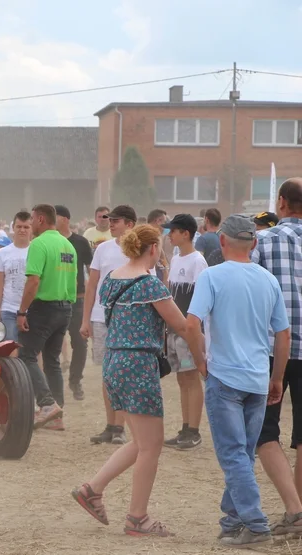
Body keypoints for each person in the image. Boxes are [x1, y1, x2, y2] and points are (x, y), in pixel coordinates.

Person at [72, 225, 197, 538]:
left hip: (115, 363)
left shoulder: (112, 279)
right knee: (151, 445)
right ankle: (137, 518)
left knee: (141, 442)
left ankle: (92, 489)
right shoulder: (150, 285)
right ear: (153, 249)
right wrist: (207, 357)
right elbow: (183, 327)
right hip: (139, 364)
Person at [184, 215, 291, 547]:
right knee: (243, 454)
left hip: (225, 376)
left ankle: (256, 525)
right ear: (255, 243)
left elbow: (192, 324)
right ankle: (232, 521)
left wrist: (201, 362)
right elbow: (283, 335)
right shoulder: (268, 280)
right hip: (258, 377)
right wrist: (277, 378)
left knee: (233, 455)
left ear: (222, 241)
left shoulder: (212, 276)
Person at [252, 178, 302, 539]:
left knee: (264, 430)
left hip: (272, 348)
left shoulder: (264, 240)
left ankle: (294, 509)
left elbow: (248, 289)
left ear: (281, 203)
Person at [81, 205, 138, 445]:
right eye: (110, 219)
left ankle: (121, 426)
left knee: (122, 373)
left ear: (130, 224)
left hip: (128, 318)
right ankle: (110, 424)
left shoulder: (139, 249)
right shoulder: (102, 249)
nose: (111, 223)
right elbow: (92, 285)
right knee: (107, 373)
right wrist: (85, 320)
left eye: (117, 220)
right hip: (100, 316)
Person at [16, 205, 76, 430]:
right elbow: (73, 282)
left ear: (41, 219)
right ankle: (57, 415)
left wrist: (22, 311)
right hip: (65, 307)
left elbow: (33, 281)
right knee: (52, 362)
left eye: (32, 219)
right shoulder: (67, 245)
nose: (30, 224)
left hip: (43, 308)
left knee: (26, 355)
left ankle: (47, 404)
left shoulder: (39, 244)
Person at [160, 214, 207, 450]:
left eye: (173, 231)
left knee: (191, 377)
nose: (169, 235)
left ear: (185, 233)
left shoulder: (198, 261)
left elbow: (202, 298)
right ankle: (185, 427)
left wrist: (196, 332)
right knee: (181, 378)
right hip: (173, 329)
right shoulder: (176, 259)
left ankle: (194, 431)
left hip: (188, 330)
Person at [56, 205, 93, 401]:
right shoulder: (48, 242)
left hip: (77, 299)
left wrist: (92, 296)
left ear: (65, 219)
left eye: (55, 217)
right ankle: (51, 384)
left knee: (80, 342)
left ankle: (75, 379)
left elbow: (90, 269)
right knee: (52, 342)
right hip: (54, 299)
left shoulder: (80, 242)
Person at [0, 212, 32, 341]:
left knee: (33, 352)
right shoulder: (3, 253)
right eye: (19, 226)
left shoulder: (37, 251)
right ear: (13, 228)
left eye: (26, 227)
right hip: (8, 309)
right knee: (9, 347)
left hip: (31, 309)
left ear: (31, 228)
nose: (22, 230)